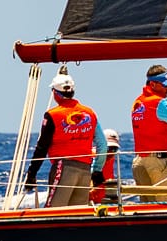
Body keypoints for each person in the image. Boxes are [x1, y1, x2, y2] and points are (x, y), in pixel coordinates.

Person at [26, 72, 107, 207]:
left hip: (64, 168)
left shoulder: (53, 115)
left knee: (53, 211)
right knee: (77, 213)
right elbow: (102, 144)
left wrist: (32, 174)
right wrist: (97, 170)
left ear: (55, 93)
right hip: (85, 171)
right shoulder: (90, 113)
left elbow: (42, 147)